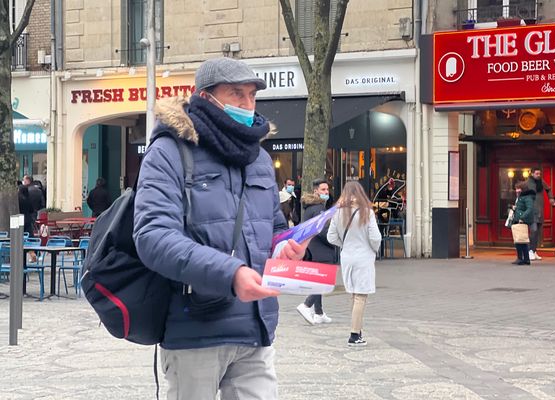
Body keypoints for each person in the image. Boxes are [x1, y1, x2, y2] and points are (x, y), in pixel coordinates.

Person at [132, 57, 307, 400]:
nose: (247, 105)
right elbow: (152, 236)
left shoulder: (257, 158)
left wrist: (285, 248)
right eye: (236, 94)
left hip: (256, 328)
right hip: (195, 328)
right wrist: (230, 274)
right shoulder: (169, 150)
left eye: (252, 96)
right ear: (205, 97)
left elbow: (271, 228)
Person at [327, 181, 381, 347]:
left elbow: (331, 237)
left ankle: (356, 328)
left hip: (347, 257)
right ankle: (354, 334)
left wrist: (345, 244)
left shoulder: (338, 213)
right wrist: (373, 249)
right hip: (363, 257)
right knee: (360, 296)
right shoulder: (367, 212)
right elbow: (375, 238)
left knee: (353, 294)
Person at [296, 178, 337, 325]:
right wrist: (336, 240)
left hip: (313, 249)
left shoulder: (311, 207)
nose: (326, 192)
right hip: (321, 250)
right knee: (323, 281)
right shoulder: (318, 209)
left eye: (327, 189)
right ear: (316, 191)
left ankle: (319, 312)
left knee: (319, 280)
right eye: (323, 190)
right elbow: (323, 231)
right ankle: (306, 305)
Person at [526, 167, 555, 261]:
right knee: (533, 231)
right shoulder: (527, 183)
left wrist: (551, 198)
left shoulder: (541, 182)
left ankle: (534, 250)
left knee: (538, 232)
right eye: (536, 174)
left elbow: (548, 189)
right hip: (531, 210)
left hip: (540, 210)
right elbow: (521, 192)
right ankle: (530, 250)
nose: (538, 175)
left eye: (539, 174)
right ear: (532, 174)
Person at [510, 181, 535, 265]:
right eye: (516, 188)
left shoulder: (527, 197)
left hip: (522, 220)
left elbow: (529, 209)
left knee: (520, 240)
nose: (517, 190)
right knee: (520, 240)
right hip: (519, 219)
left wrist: (522, 217)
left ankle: (521, 258)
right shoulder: (521, 197)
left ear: (523, 189)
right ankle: (525, 258)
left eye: (518, 188)